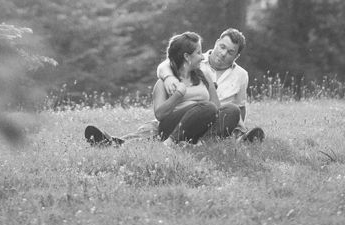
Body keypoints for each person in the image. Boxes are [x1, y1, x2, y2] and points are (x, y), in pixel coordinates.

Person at [85, 28, 265, 146]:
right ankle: (114, 142)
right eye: (222, 47)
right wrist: (170, 79)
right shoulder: (193, 60)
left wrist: (238, 127)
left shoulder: (240, 75)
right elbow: (167, 64)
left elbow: (238, 107)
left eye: (230, 52)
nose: (223, 53)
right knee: (152, 130)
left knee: (230, 111)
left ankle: (213, 142)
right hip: (181, 117)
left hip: (212, 121)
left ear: (236, 56)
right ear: (217, 42)